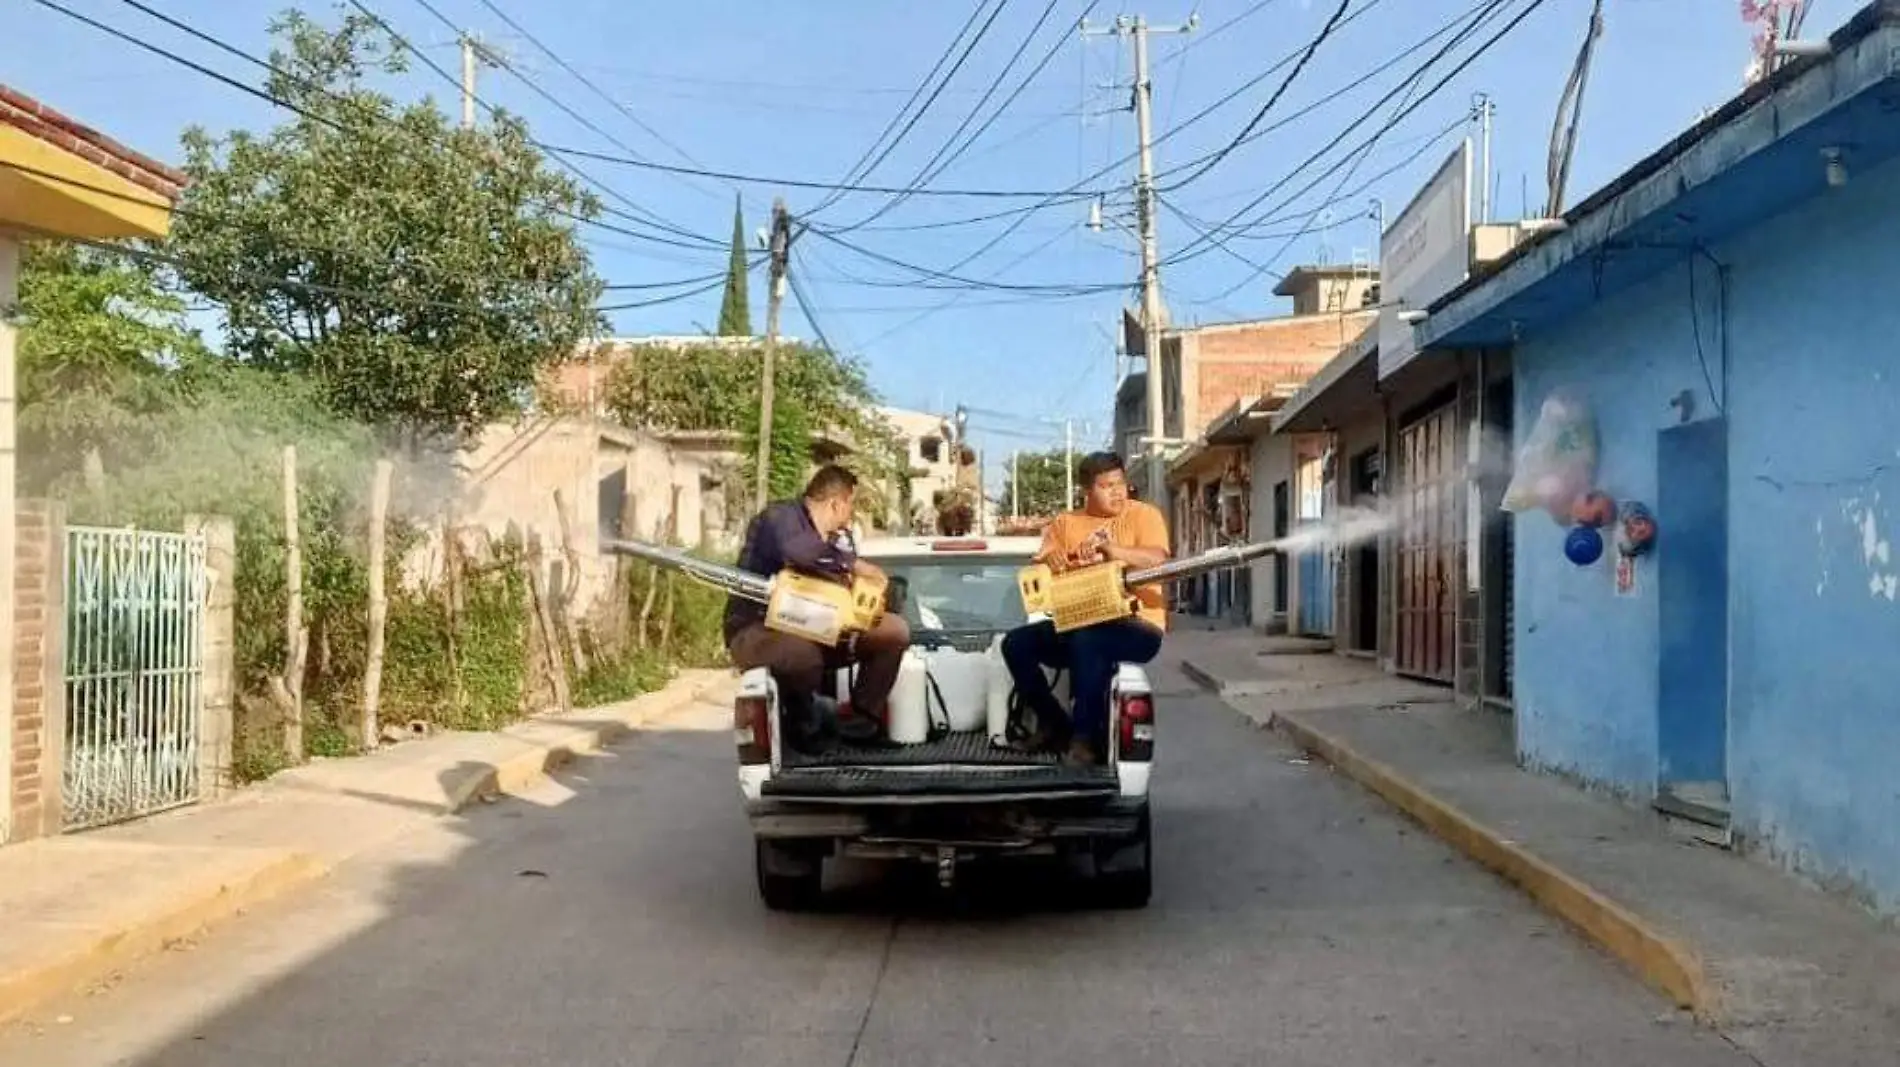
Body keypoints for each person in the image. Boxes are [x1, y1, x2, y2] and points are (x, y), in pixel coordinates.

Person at [724, 465, 911, 753]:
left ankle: (861, 724)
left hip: (818, 626)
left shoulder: (833, 541)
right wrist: (854, 565)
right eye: (851, 506)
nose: (850, 517)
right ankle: (803, 727)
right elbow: (798, 552)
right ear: (837, 503)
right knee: (803, 654)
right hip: (758, 629)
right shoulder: (780, 519)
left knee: (893, 632)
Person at [1001, 451, 1170, 765]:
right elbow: (1043, 557)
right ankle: (1054, 724)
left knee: (1088, 640)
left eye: (1120, 483)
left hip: (1138, 625)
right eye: (1107, 486)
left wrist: (1111, 550)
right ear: (1087, 491)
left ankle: (1084, 741)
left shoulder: (1144, 515)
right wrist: (1050, 558)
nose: (1117, 492)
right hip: (1079, 621)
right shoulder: (1066, 523)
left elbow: (1158, 558)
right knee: (1016, 644)